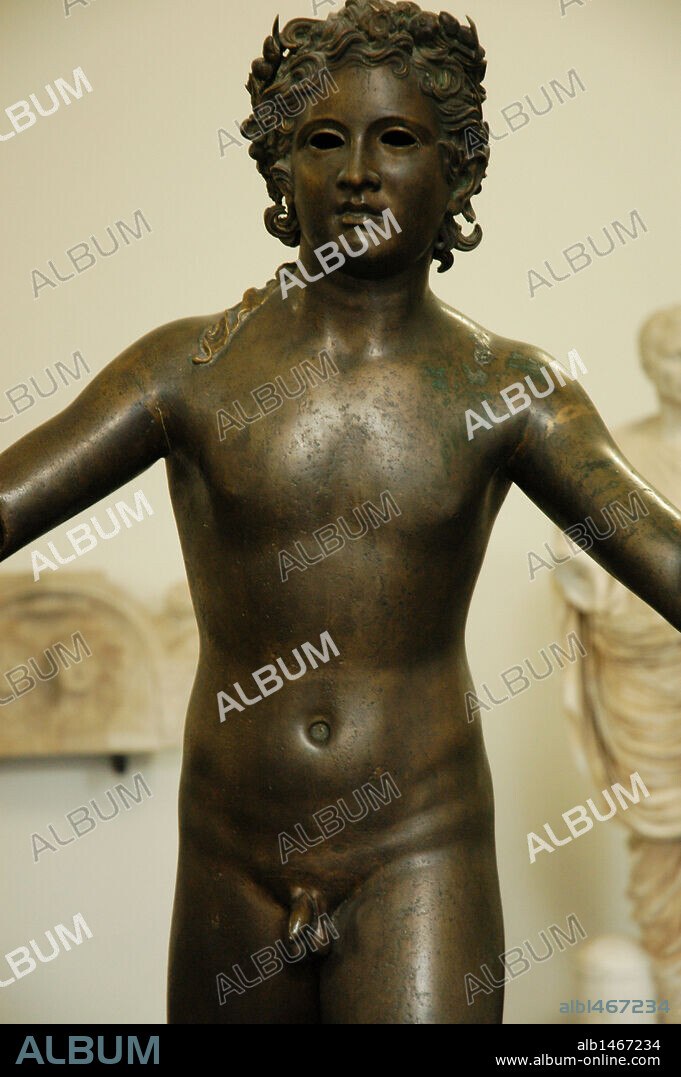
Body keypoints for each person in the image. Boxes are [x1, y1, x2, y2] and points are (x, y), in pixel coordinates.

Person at [1, 0, 679, 1022]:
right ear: (282, 170)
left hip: (418, 847)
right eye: (325, 140)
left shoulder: (506, 388)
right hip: (233, 852)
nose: (359, 170)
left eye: (398, 138)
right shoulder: (189, 368)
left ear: (456, 167)